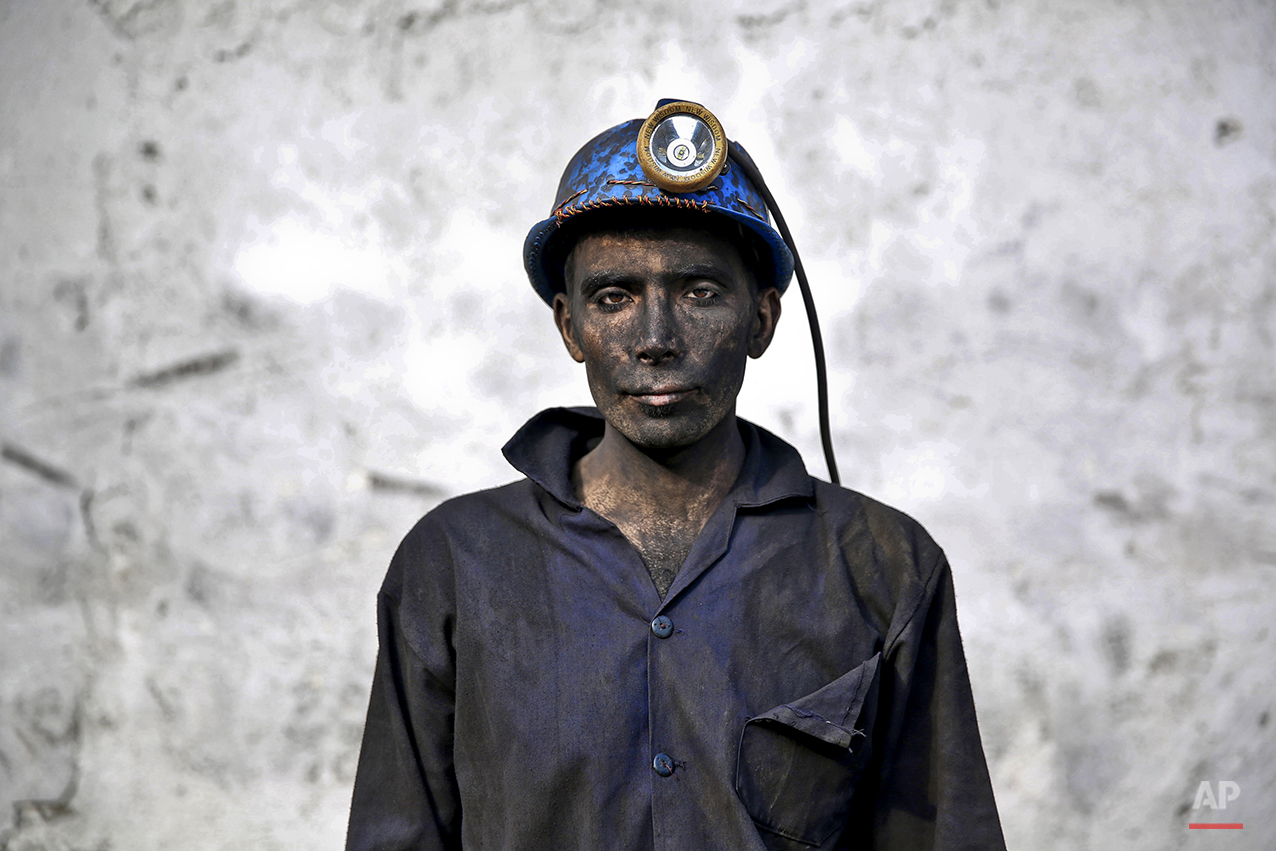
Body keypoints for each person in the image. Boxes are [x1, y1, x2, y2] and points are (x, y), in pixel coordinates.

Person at [346, 103, 1006, 851]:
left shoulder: (882, 563)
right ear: (570, 327)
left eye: (699, 292)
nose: (655, 339)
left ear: (762, 320)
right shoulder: (454, 562)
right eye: (614, 297)